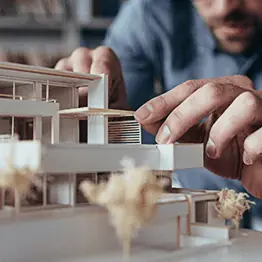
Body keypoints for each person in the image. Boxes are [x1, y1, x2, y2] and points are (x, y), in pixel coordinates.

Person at [55, 0, 262, 228]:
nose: (224, 8)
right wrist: (96, 119)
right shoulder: (148, 16)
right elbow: (124, 140)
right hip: (195, 219)